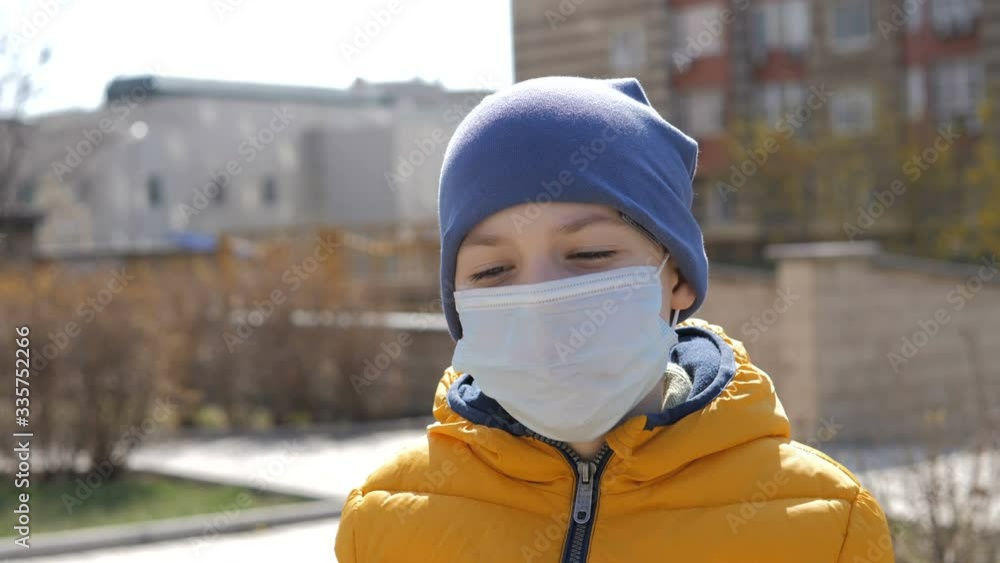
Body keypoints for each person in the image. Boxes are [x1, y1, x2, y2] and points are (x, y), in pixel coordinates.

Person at [334, 76, 893, 563]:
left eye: (589, 254)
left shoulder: (824, 524)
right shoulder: (383, 523)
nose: (540, 298)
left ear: (678, 277)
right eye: (493, 270)